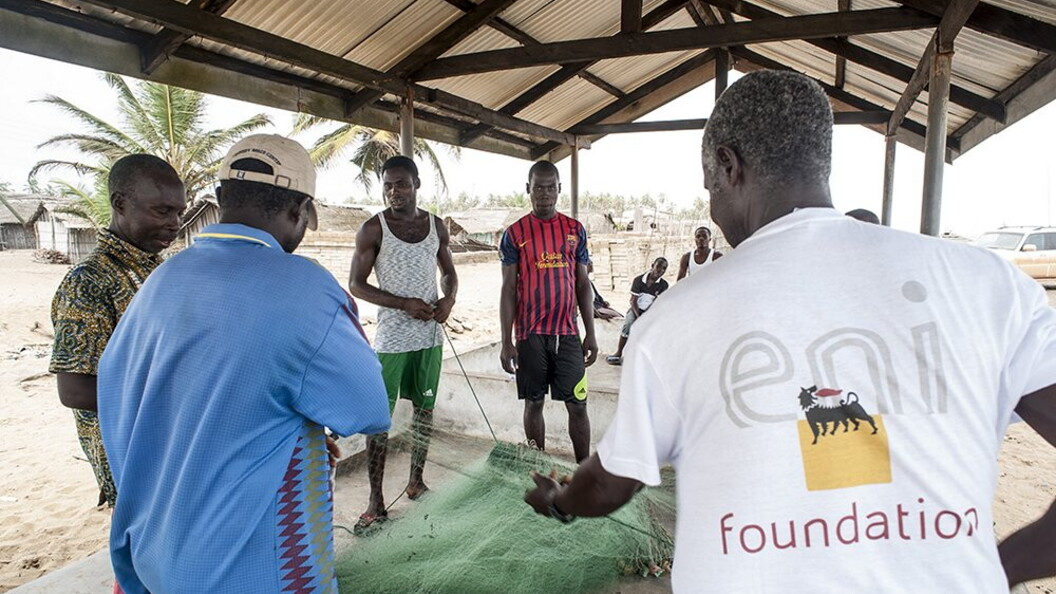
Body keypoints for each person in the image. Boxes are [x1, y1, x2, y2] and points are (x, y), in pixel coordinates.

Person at [524, 70, 1056, 592]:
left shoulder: (675, 320)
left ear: (729, 166)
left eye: (710, 187)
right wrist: (992, 570)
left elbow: (611, 484)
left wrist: (560, 500)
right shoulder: (988, 286)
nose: (713, 205)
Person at [97, 134, 391, 593]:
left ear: (221, 198)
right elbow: (368, 409)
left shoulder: (161, 280)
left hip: (155, 556)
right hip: (251, 566)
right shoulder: (305, 286)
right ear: (299, 210)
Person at [50, 154, 185, 508]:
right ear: (120, 203)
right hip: (131, 454)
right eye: (162, 211)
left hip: (169, 444)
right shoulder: (89, 282)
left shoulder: (159, 270)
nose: (174, 224)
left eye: (179, 213)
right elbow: (74, 389)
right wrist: (176, 401)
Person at [349, 155, 458, 532]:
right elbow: (357, 285)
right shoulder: (372, 229)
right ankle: (375, 501)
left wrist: (449, 299)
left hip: (430, 337)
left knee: (424, 410)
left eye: (401, 184)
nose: (394, 192)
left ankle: (416, 482)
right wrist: (403, 304)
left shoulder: (436, 226)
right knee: (379, 419)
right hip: (391, 340)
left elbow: (449, 273)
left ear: (417, 185)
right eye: (388, 186)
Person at [500, 160, 598, 462]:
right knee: (533, 402)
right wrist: (506, 341)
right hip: (530, 335)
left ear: (559, 189)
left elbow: (583, 284)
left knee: (578, 404)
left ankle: (583, 470)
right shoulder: (514, 233)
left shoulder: (575, 230)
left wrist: (590, 333)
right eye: (538, 188)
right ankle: (538, 465)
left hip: (567, 334)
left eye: (550, 187)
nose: (544, 193)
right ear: (528, 189)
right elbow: (508, 289)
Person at [606, 257, 668, 365]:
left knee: (654, 329)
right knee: (628, 324)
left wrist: (647, 315)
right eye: (658, 266)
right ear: (652, 265)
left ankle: (648, 357)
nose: (660, 270)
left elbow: (656, 303)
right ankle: (619, 352)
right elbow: (633, 300)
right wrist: (638, 315)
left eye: (664, 268)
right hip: (636, 309)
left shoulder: (663, 285)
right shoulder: (639, 280)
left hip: (650, 311)